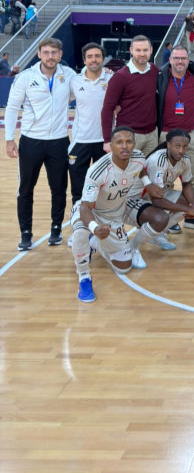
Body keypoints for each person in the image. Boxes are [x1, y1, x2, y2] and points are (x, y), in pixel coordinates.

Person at [5, 37, 76, 251]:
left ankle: (56, 229)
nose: (50, 56)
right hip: (31, 141)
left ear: (60, 55)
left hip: (59, 142)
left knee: (59, 189)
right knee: (25, 189)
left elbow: (83, 92)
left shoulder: (69, 75)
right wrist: (9, 139)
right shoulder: (26, 77)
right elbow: (11, 108)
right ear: (39, 54)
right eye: (46, 52)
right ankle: (25, 234)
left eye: (54, 52)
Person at [69, 126, 154, 302]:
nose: (124, 146)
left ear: (134, 144)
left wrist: (148, 182)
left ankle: (95, 243)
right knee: (80, 231)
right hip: (91, 212)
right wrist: (94, 227)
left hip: (115, 215)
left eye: (128, 142)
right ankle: (84, 276)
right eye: (119, 142)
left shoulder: (138, 157)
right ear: (111, 145)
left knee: (124, 267)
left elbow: (141, 169)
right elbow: (85, 206)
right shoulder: (98, 170)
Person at [127, 129, 194, 264]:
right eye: (177, 146)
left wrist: (193, 206)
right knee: (162, 217)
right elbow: (157, 201)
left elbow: (187, 184)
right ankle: (132, 248)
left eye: (185, 147)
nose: (181, 150)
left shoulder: (185, 160)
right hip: (135, 199)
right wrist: (186, 209)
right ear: (168, 145)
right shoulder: (159, 160)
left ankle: (157, 234)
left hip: (157, 194)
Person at [157, 45, 194, 221]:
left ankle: (191, 217)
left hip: (191, 135)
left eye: (183, 58)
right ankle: (166, 218)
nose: (179, 61)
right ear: (170, 60)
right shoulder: (161, 77)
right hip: (166, 135)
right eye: (176, 58)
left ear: (188, 61)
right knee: (163, 180)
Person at [69, 43, 114, 205]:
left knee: (104, 185)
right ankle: (78, 216)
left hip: (105, 142)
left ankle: (100, 216)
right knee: (78, 186)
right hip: (80, 140)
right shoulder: (74, 81)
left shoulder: (112, 78)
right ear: (84, 60)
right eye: (90, 57)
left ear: (103, 58)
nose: (93, 60)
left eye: (97, 56)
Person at [100, 34, 159, 157]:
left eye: (145, 50)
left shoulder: (154, 70)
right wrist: (107, 140)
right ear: (131, 50)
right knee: (127, 174)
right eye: (138, 50)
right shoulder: (120, 77)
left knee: (149, 174)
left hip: (152, 135)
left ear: (151, 51)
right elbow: (107, 109)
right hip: (128, 136)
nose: (142, 54)